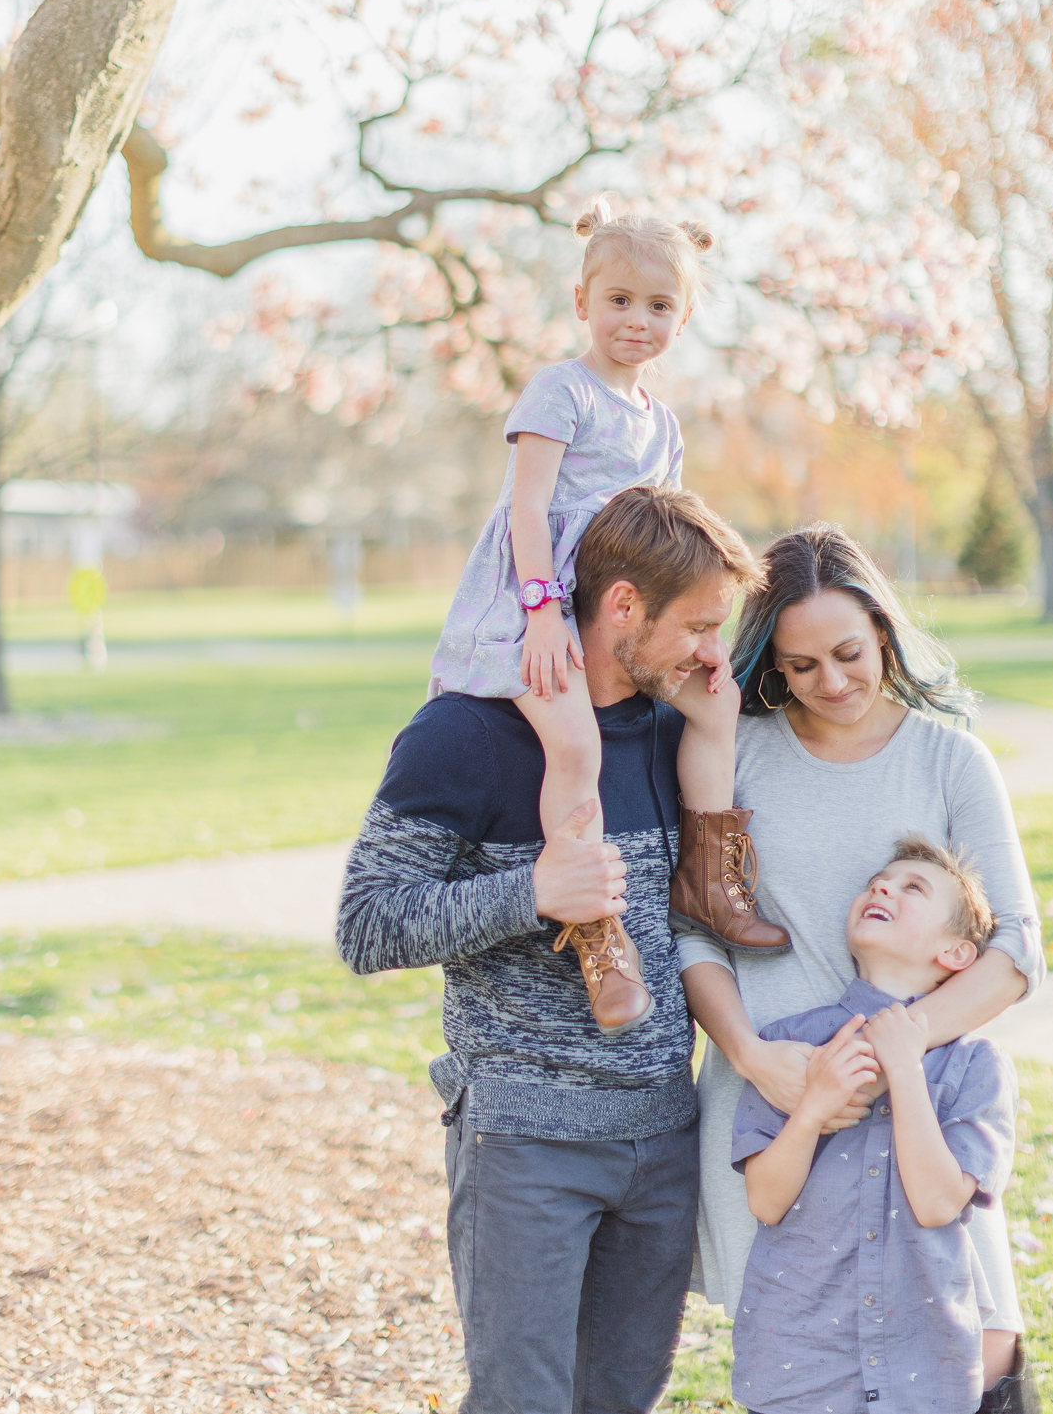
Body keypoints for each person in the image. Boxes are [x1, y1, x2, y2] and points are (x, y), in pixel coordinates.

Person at [336, 482, 762, 1414]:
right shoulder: (465, 732)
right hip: (527, 1142)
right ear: (621, 608)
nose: (709, 651)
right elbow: (366, 923)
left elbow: (703, 907)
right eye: (695, 625)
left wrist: (718, 744)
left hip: (661, 1135)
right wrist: (532, 893)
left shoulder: (671, 726)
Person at [672, 526, 1044, 1411]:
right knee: (808, 1359)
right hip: (775, 1106)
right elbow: (696, 931)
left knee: (982, 1346)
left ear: (883, 628)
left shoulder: (949, 757)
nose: (831, 682)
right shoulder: (740, 751)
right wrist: (762, 1059)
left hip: (918, 1098)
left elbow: (1016, 948)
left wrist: (897, 1049)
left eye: (847, 652)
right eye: (801, 665)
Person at [427, 201, 785, 1033]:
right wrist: (541, 612)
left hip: (619, 616)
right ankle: (596, 930)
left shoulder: (661, 422)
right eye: (619, 299)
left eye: (659, 305)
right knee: (577, 742)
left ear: (684, 317)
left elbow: (672, 535)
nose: (637, 319)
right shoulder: (563, 392)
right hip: (535, 610)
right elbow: (528, 511)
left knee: (715, 702)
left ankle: (709, 877)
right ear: (582, 300)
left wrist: (697, 632)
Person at [731, 837, 1019, 1414]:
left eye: (913, 888)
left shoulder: (975, 1066)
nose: (882, 888)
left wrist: (905, 1067)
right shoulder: (789, 1046)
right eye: (876, 883)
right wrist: (813, 1107)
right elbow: (765, 1201)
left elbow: (939, 1203)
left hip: (924, 1360)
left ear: (957, 954)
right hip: (798, 1358)